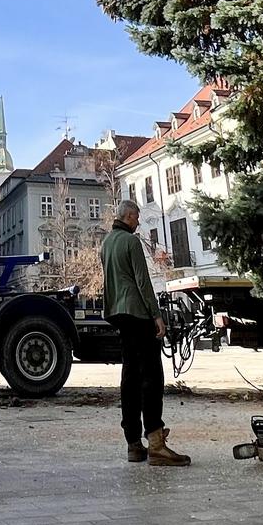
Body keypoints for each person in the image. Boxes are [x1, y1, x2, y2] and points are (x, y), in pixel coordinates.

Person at [99, 198, 188, 466]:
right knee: (151, 375)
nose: (138, 221)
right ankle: (157, 442)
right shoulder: (131, 242)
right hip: (137, 313)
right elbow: (142, 280)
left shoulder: (106, 244)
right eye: (136, 217)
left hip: (117, 313)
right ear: (127, 217)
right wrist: (157, 315)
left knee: (129, 376)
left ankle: (133, 444)